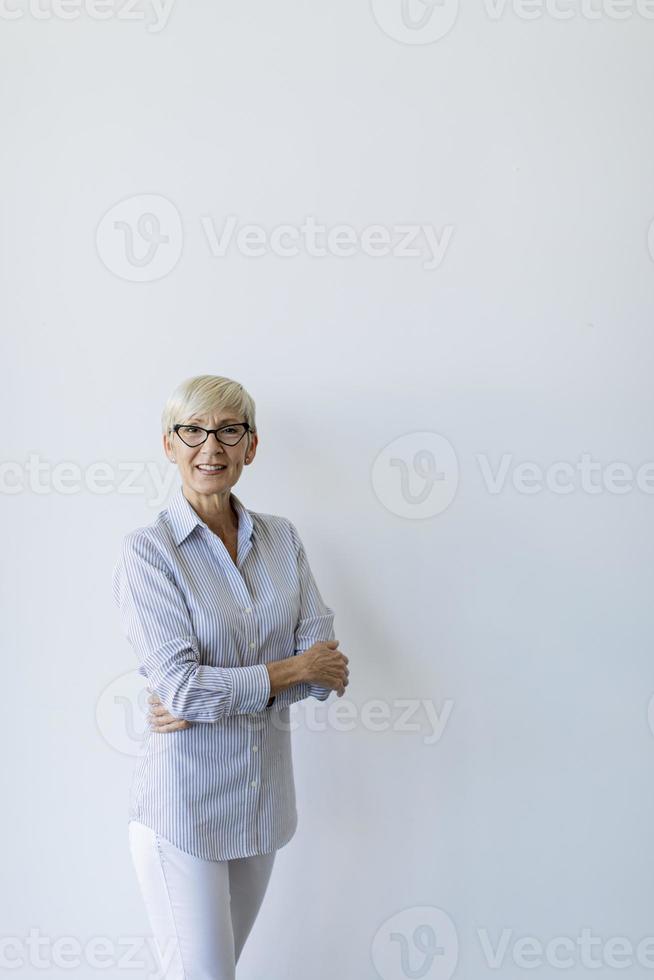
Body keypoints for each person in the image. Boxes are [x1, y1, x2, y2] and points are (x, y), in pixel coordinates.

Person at [112, 374, 349, 979]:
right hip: (183, 812)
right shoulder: (150, 552)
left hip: (261, 806)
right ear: (169, 445)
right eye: (192, 431)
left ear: (251, 445)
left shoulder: (282, 539)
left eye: (228, 431)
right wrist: (288, 670)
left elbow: (326, 673)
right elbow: (184, 689)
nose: (210, 447)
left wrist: (214, 690)